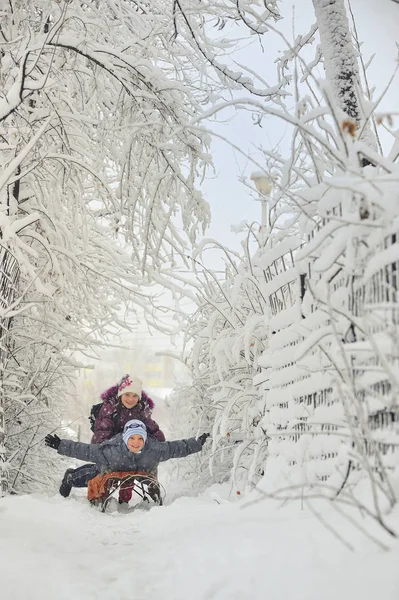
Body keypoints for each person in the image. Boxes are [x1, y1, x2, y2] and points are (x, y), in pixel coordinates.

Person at [46, 419, 209, 506]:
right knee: (92, 474)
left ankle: (141, 498)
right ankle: (70, 477)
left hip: (138, 471)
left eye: (140, 438)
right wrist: (61, 445)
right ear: (125, 439)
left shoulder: (154, 450)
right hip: (110, 468)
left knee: (135, 477)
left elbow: (175, 448)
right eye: (131, 438)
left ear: (145, 439)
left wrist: (197, 444)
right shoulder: (112, 450)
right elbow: (86, 450)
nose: (136, 442)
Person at [59, 375, 165, 498]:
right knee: (99, 471)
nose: (131, 399)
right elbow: (101, 436)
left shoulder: (141, 411)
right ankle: (71, 478)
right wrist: (113, 452)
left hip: (131, 450)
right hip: (110, 449)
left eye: (135, 395)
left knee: (144, 463)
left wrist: (158, 445)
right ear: (120, 394)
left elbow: (153, 430)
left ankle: (151, 486)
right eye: (127, 395)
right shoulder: (110, 409)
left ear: (139, 397)